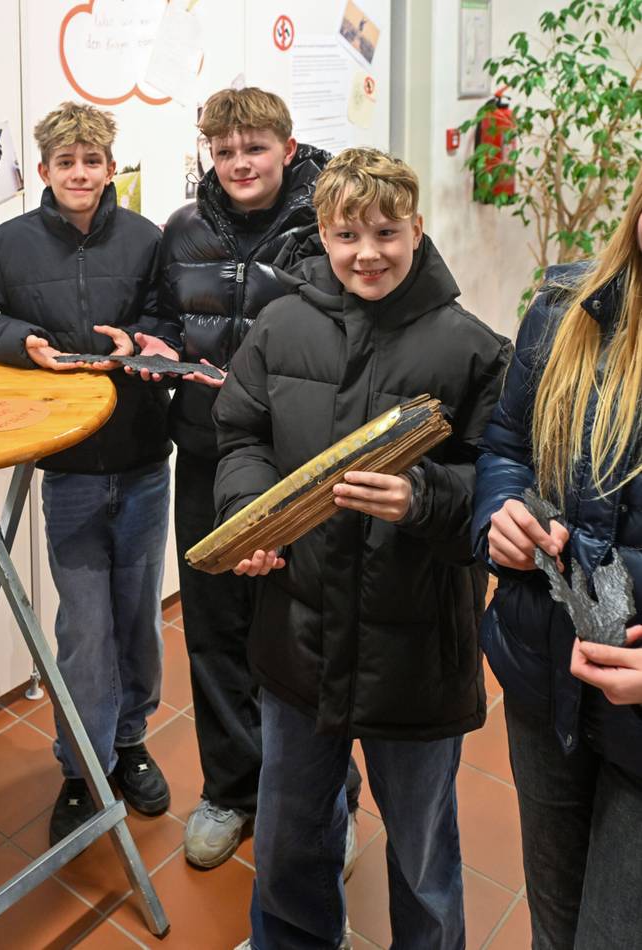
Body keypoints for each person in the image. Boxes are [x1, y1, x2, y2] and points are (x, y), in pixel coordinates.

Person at [213, 147, 512, 949]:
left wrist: (423, 499)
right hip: (298, 640)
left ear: (419, 228)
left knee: (422, 855)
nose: (367, 252)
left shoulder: (473, 348)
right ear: (321, 232)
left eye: (387, 231)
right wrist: (250, 512)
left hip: (415, 651)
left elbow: (498, 485)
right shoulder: (280, 326)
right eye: (348, 234)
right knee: (287, 842)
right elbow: (240, 433)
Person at [0, 102, 181, 845]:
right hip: (71, 470)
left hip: (143, 460)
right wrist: (27, 343)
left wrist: (148, 337)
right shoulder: (7, 244)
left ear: (112, 167)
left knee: (138, 616)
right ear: (44, 171)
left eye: (93, 161)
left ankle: (131, 742)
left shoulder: (147, 238)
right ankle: (82, 767)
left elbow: (175, 321)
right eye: (66, 163)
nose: (80, 174)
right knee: (84, 627)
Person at [143, 85, 338, 869]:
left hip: (297, 458)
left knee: (306, 625)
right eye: (223, 151)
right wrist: (155, 346)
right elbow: (164, 311)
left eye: (253, 148)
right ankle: (232, 788)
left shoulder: (324, 222)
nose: (238, 163)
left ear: (287, 150)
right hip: (204, 451)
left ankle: (330, 800)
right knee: (216, 623)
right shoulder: (182, 228)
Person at [473, 165, 642, 948]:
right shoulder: (566, 311)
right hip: (545, 677)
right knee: (554, 922)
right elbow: (507, 443)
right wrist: (499, 515)